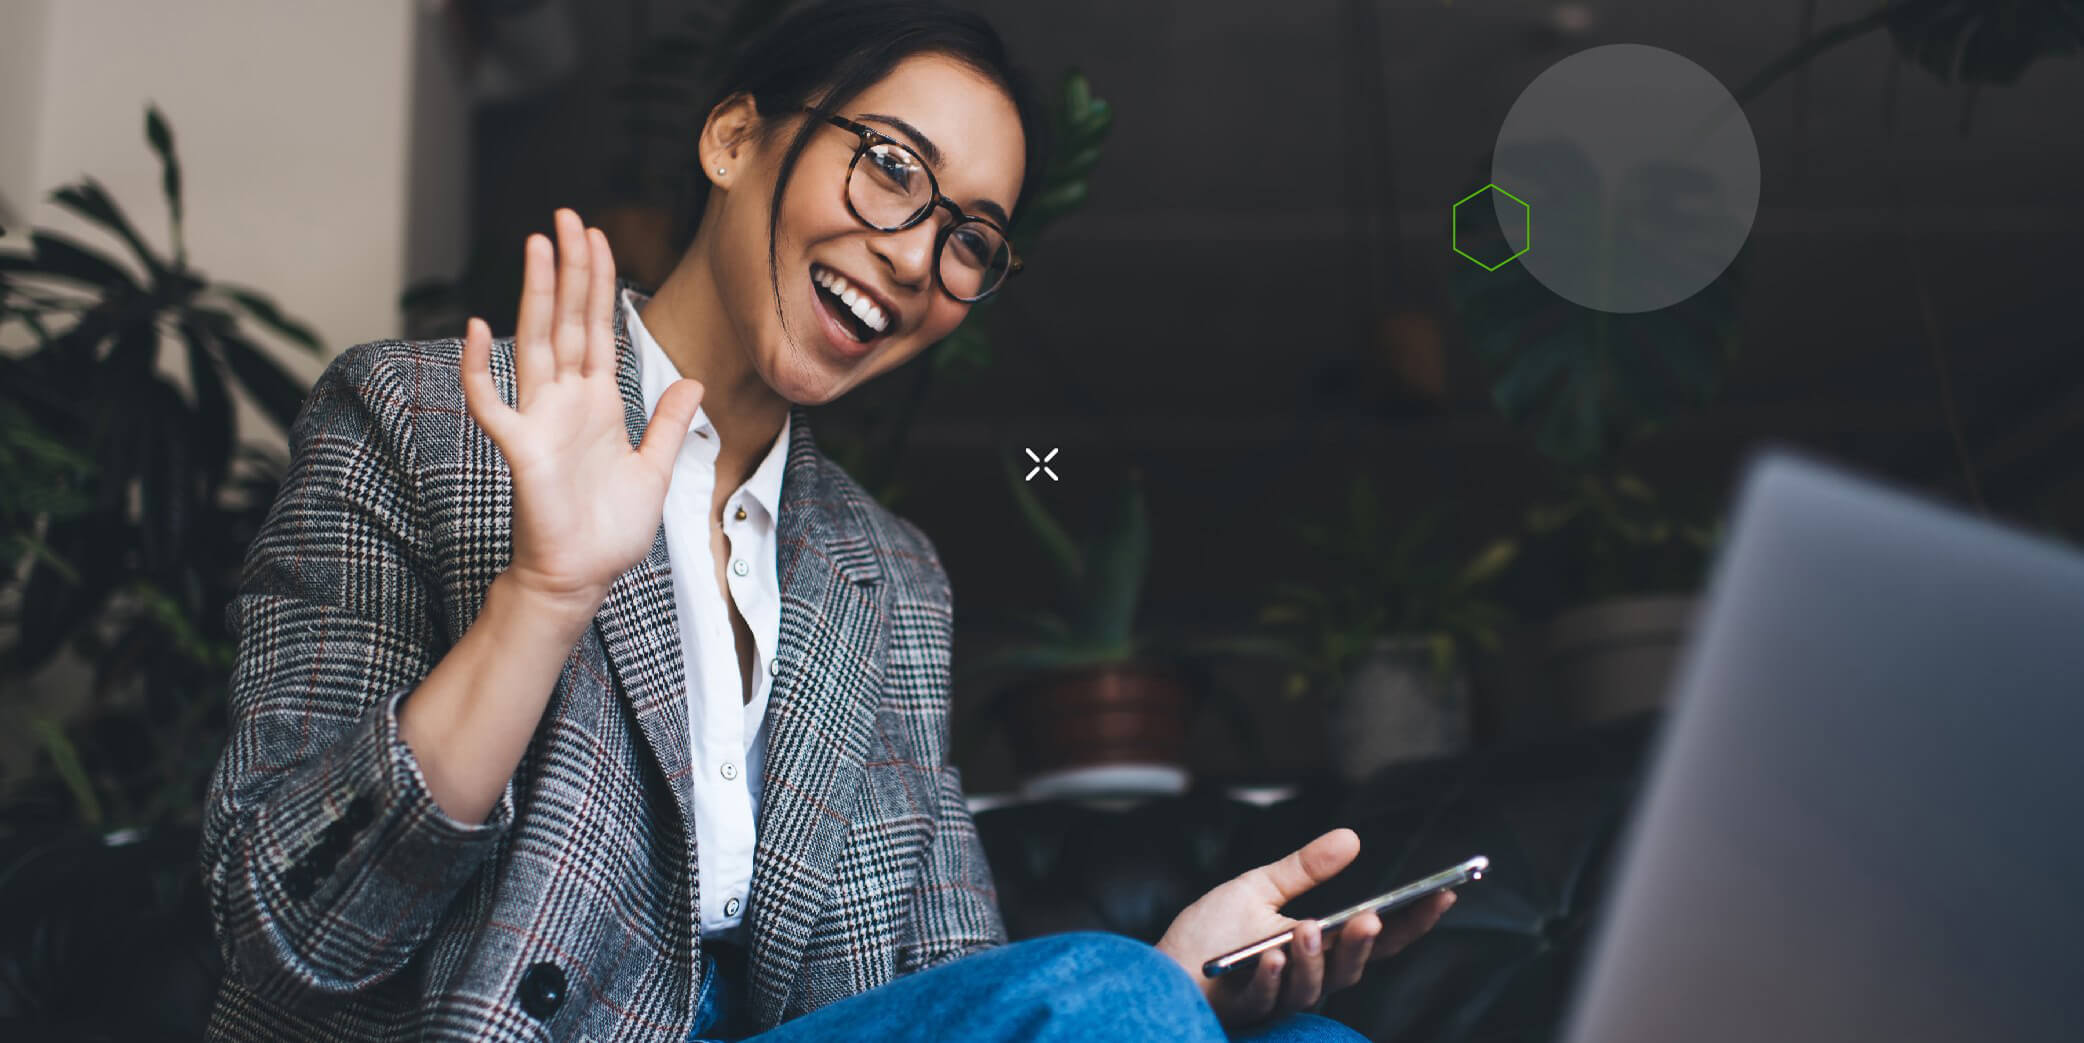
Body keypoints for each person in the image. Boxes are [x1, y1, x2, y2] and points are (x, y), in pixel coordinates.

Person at [199, 2, 1453, 1040]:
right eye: (893, 166)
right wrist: (545, 594)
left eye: (971, 239)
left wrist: (1177, 976)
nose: (916, 257)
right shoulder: (417, 422)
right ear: (735, 136)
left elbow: (961, 988)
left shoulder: (888, 580)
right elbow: (297, 925)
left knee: (1303, 1037)